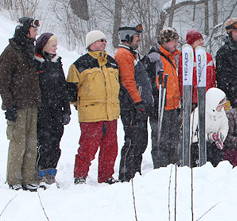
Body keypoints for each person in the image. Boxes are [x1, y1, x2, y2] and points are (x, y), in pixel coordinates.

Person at [67, 30, 121, 184]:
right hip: (91, 115)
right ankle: (80, 176)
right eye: (100, 40)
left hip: (110, 114)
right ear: (91, 44)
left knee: (110, 148)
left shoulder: (111, 62)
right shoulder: (79, 64)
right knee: (87, 148)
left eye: (105, 40)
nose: (104, 43)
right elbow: (71, 89)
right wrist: (80, 105)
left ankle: (106, 176)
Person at [0, 17, 42, 191]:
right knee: (18, 143)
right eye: (33, 31)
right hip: (18, 105)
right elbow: (3, 80)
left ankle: (27, 177)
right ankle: (14, 179)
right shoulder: (11, 51)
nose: (36, 34)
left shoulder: (29, 50)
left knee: (31, 142)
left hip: (32, 103)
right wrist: (8, 104)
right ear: (25, 31)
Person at [115, 24, 153, 182]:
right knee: (133, 141)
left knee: (140, 141)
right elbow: (128, 81)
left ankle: (134, 173)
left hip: (137, 105)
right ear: (128, 37)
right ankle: (127, 175)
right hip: (131, 106)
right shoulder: (123, 54)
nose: (139, 40)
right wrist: (138, 102)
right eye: (137, 37)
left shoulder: (131, 54)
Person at [33, 32, 71, 185]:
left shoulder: (57, 63)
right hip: (42, 110)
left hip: (56, 109)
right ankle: (40, 171)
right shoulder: (36, 63)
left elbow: (63, 87)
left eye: (56, 45)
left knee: (56, 142)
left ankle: (51, 171)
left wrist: (66, 110)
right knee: (44, 142)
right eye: (53, 45)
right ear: (44, 47)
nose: (56, 48)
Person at [143, 28, 181, 168]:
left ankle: (171, 165)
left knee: (172, 139)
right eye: (174, 41)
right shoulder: (155, 58)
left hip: (173, 106)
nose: (176, 44)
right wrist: (154, 100)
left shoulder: (171, 58)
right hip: (160, 106)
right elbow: (149, 82)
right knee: (160, 139)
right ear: (165, 41)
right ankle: (160, 167)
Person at [190, 87, 229, 167]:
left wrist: (220, 137)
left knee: (218, 154)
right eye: (220, 105)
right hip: (198, 147)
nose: (223, 107)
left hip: (214, 145)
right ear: (213, 103)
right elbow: (190, 135)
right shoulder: (198, 113)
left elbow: (224, 126)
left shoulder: (221, 112)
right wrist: (209, 137)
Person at [178, 29, 216, 109]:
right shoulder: (186, 58)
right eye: (198, 40)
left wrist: (213, 91)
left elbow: (213, 77)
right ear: (191, 43)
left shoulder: (208, 56)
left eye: (202, 39)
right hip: (193, 99)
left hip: (208, 97)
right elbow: (182, 79)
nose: (202, 42)